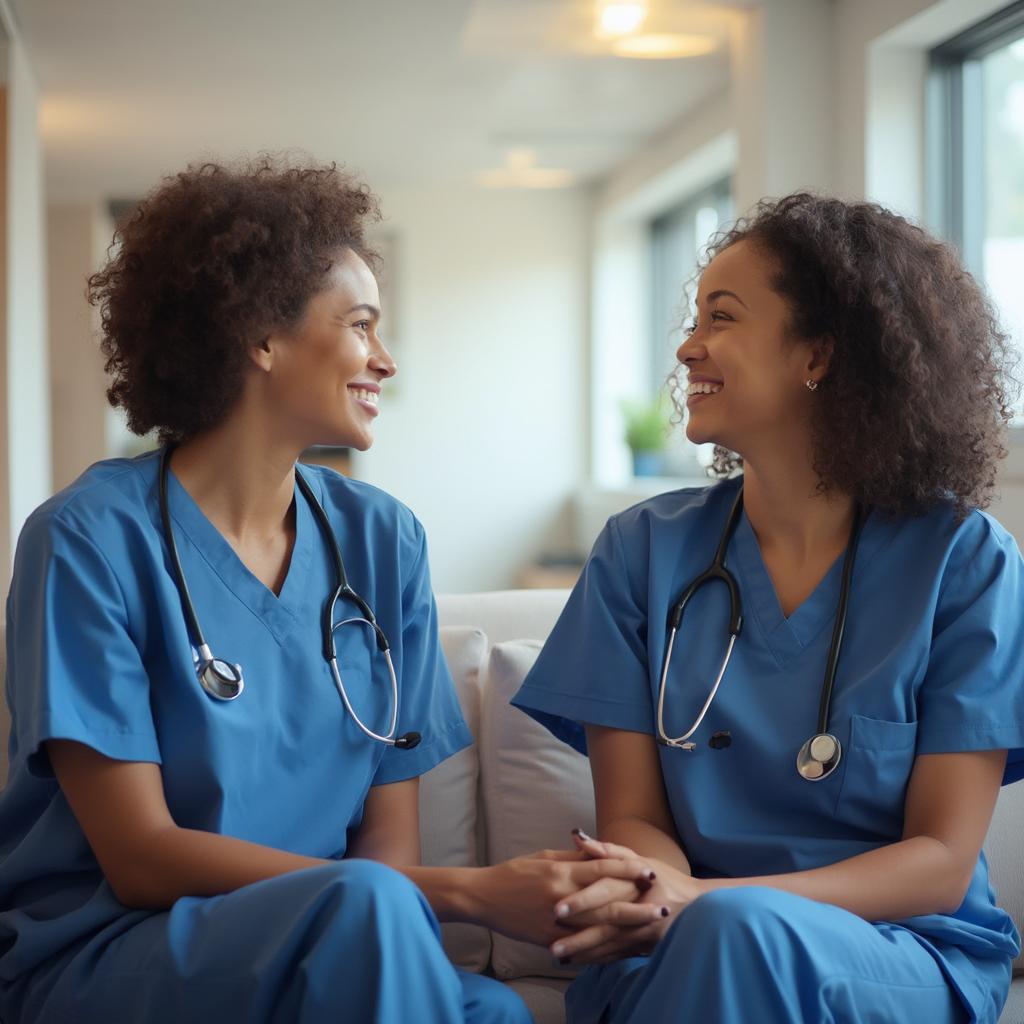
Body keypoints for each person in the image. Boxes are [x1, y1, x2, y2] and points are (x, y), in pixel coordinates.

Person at [0, 158, 656, 1024]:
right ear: (261, 339)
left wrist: (391, 901)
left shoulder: (383, 542)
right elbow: (141, 857)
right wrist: (469, 893)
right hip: (120, 948)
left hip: (341, 942)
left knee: (492, 1011)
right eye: (361, 326)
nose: (385, 360)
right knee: (373, 912)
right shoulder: (86, 540)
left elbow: (387, 850)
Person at [513, 192, 1024, 1024]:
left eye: (722, 317)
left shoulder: (962, 562)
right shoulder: (641, 552)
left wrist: (710, 900)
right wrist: (665, 894)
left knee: (736, 930)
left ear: (816, 353)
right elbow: (635, 817)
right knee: (725, 936)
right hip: (675, 936)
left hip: (898, 946)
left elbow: (938, 859)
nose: (686, 347)